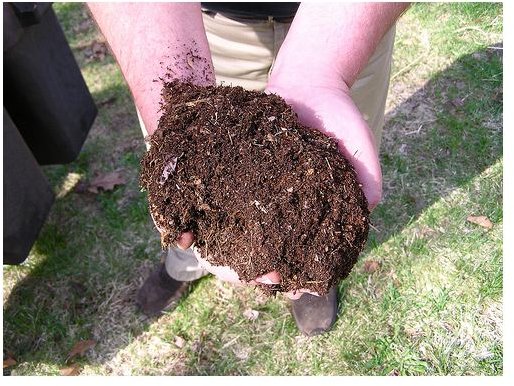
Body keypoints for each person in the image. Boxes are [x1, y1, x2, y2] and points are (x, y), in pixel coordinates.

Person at [88, 2, 410, 337]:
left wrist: (323, 74)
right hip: (191, 29)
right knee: (182, 184)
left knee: (335, 172)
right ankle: (184, 263)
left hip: (347, 23)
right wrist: (181, 108)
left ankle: (312, 275)